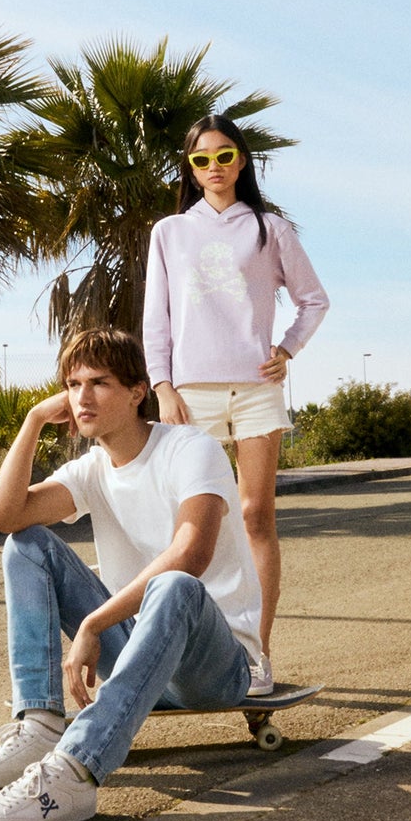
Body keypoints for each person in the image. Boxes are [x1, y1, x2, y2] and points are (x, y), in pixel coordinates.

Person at [0, 326, 263, 821]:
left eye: (98, 382)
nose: (81, 397)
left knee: (174, 586)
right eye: (72, 385)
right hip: (139, 650)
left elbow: (190, 554)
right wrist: (32, 421)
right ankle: (41, 723)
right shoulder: (92, 469)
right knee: (26, 544)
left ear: (138, 391)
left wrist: (95, 623)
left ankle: (75, 775)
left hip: (216, 663)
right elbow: (3, 515)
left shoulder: (192, 449)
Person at [144, 115, 327, 672]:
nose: (215, 167)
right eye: (202, 159)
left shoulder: (271, 230)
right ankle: (177, 652)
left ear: (242, 161)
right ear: (190, 168)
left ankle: (256, 653)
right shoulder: (169, 232)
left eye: (225, 155)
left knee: (254, 516)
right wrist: (161, 385)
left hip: (255, 391)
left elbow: (313, 300)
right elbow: (158, 316)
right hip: (189, 395)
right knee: (189, 525)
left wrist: (288, 349)